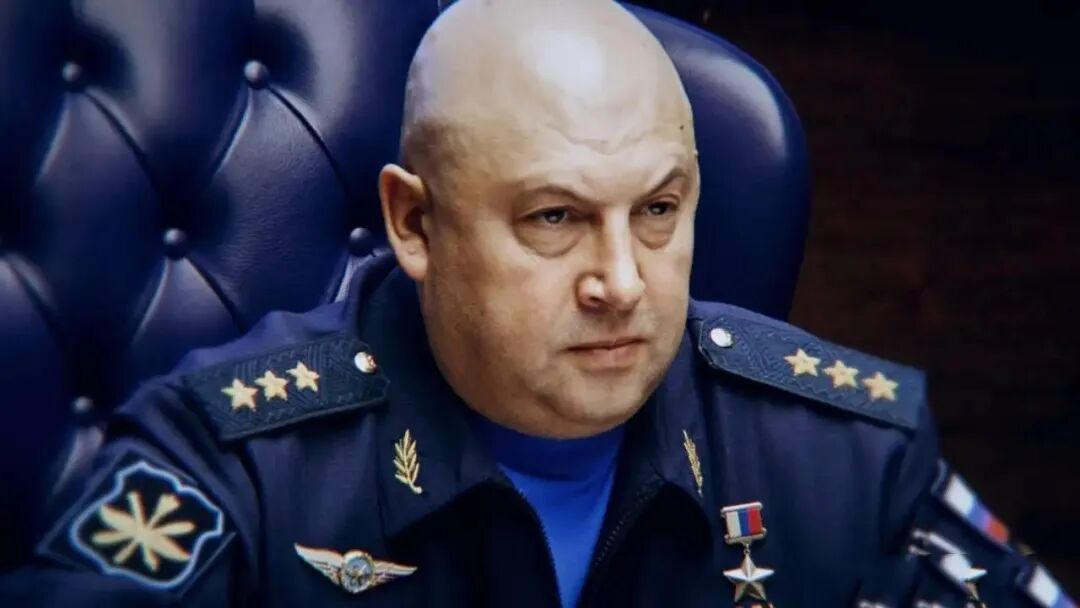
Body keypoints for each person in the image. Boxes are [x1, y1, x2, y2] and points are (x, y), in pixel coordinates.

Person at [0, 0, 1072, 606]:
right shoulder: (229, 462)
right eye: (555, 218)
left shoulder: (846, 451)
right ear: (415, 224)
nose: (623, 280)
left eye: (658, 210)